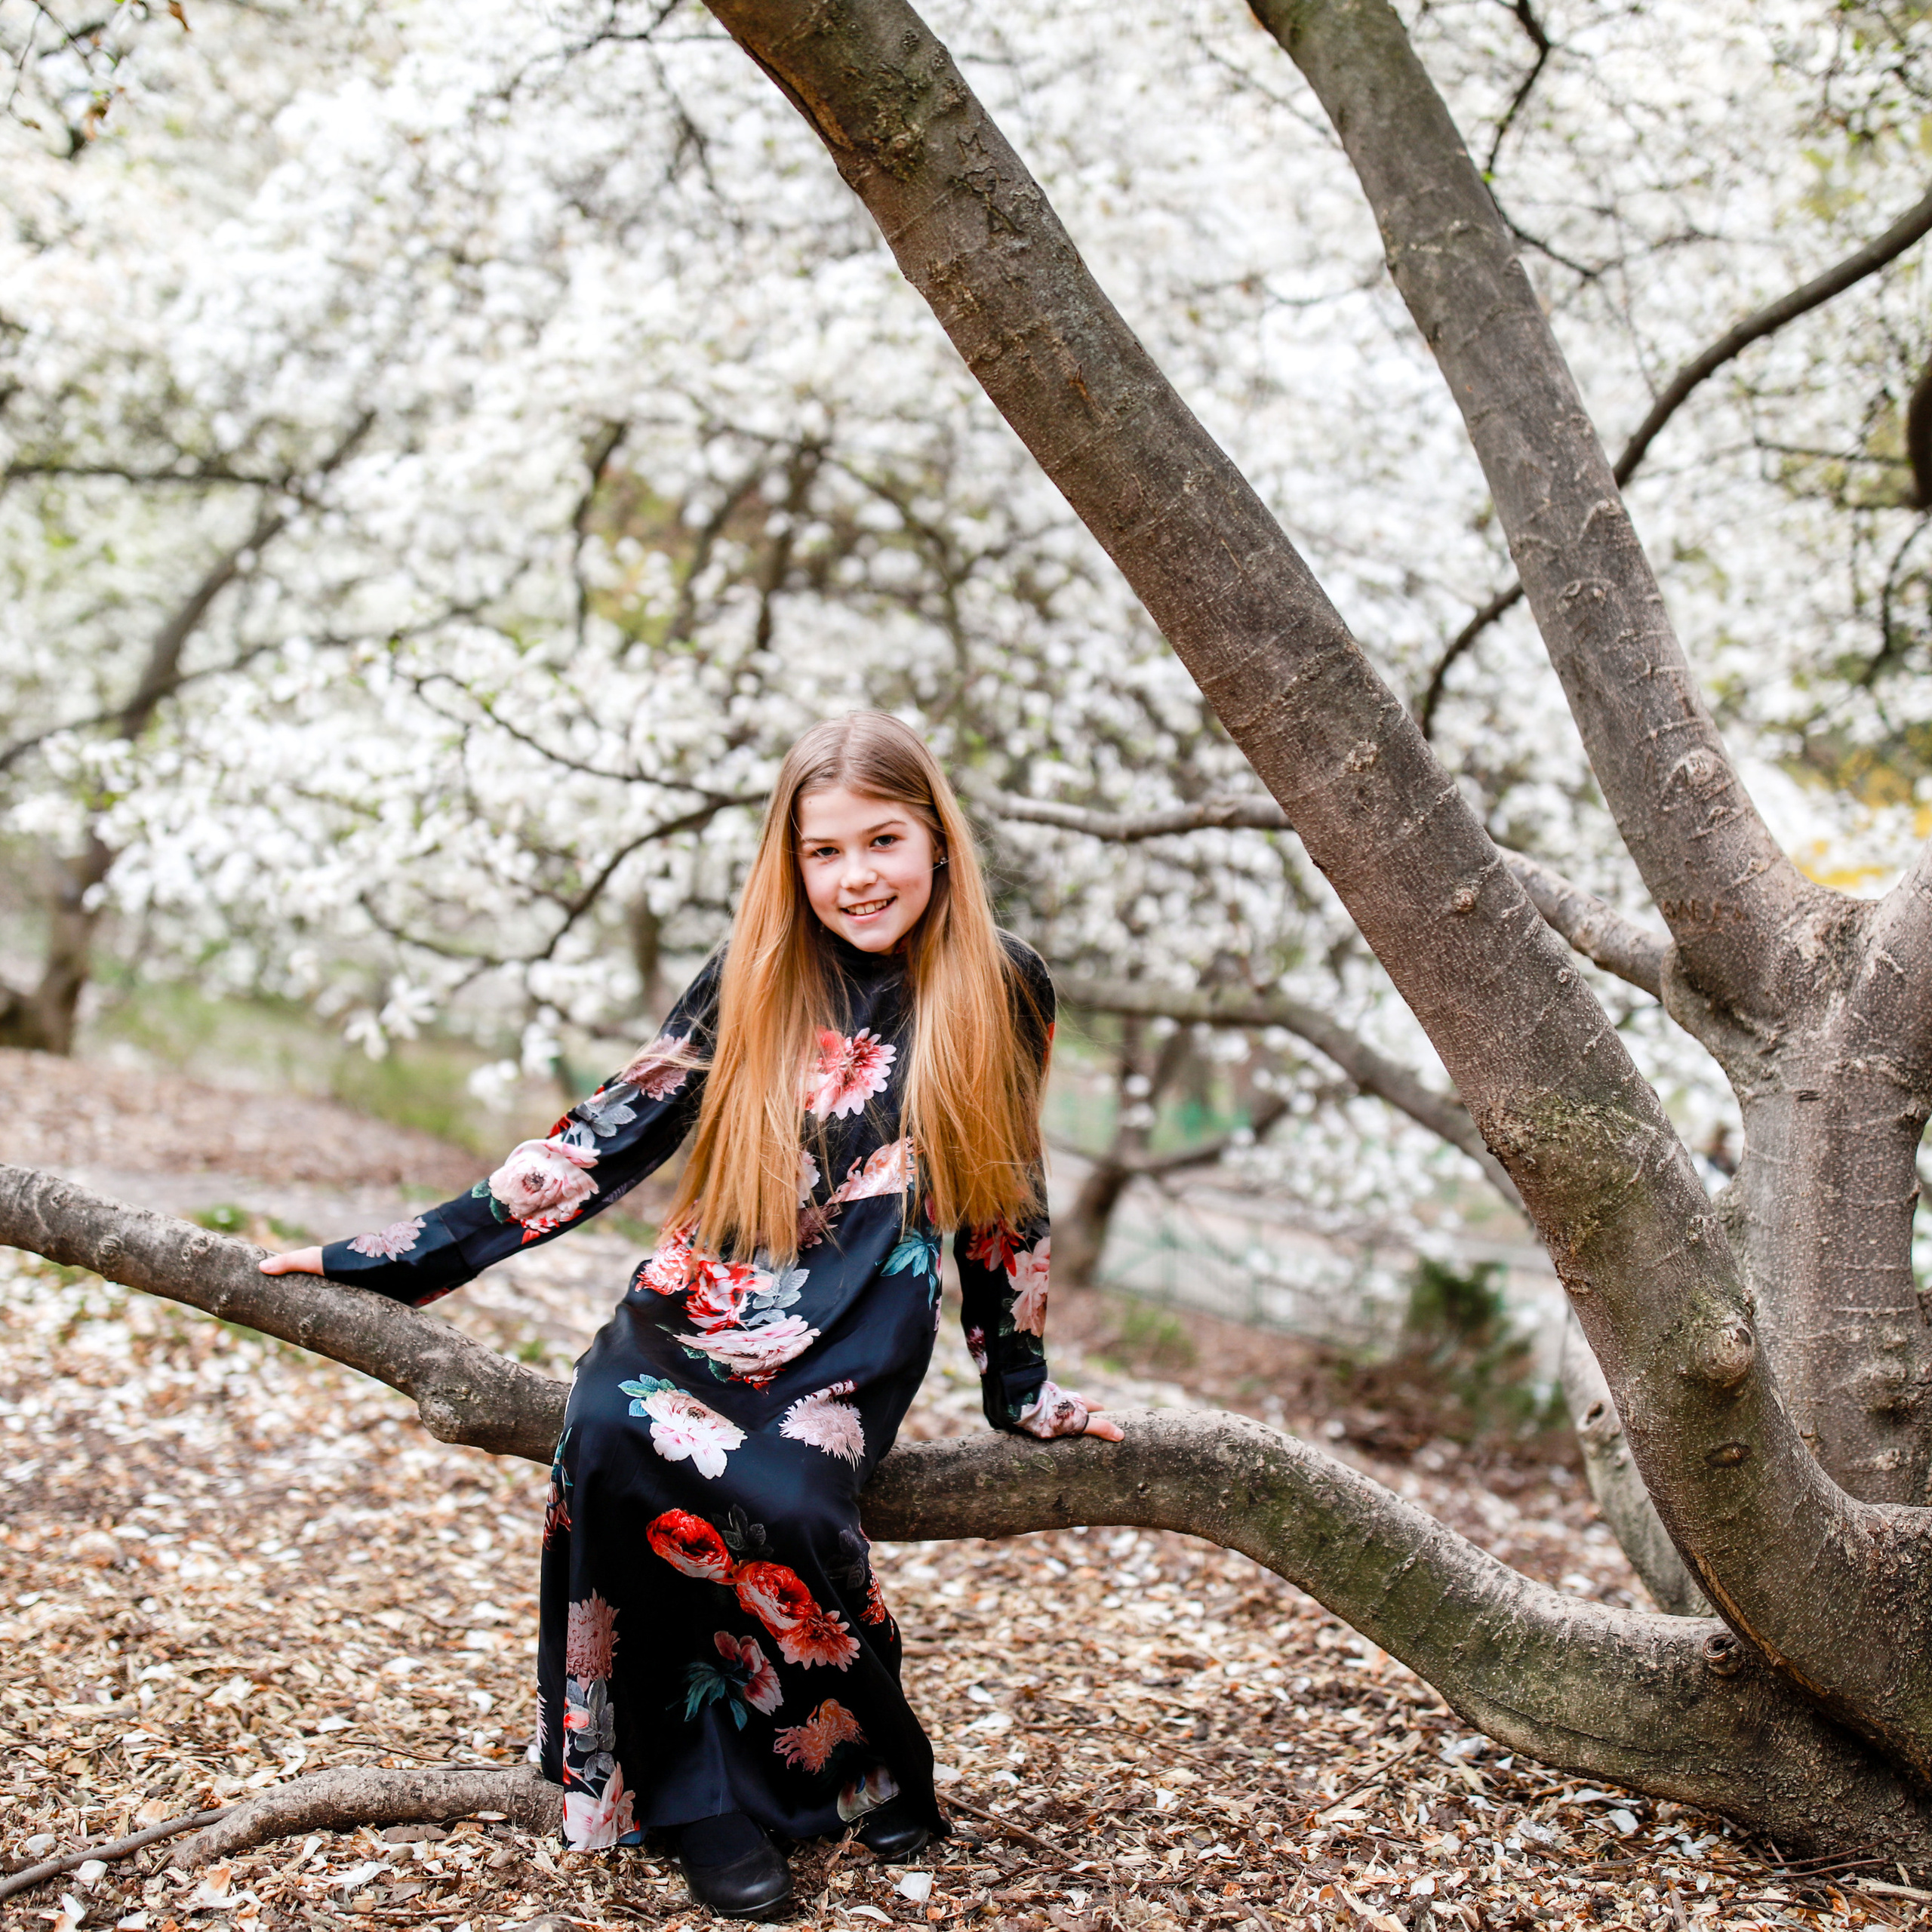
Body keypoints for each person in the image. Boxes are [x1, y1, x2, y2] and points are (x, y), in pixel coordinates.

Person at [262, 712, 1121, 1918]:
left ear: (938, 842)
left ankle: (857, 1763)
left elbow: (1004, 1191)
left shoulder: (1005, 983)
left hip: (861, 1319)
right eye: (824, 852)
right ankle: (698, 1800)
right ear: (791, 861)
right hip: (699, 1296)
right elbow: (604, 1140)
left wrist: (1019, 1380)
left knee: (782, 1501)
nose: (856, 876)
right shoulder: (754, 974)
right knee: (613, 1445)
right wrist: (396, 1258)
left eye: (883, 841)